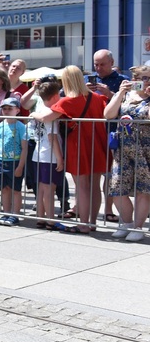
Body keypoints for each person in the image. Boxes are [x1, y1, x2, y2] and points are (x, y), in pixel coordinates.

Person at [31, 65, 109, 234]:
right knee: (95, 186)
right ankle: (92, 222)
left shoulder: (66, 101)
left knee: (82, 186)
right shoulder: (97, 97)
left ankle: (83, 224)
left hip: (78, 145)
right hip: (98, 143)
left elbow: (45, 117)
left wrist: (32, 114)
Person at [103, 66, 150, 241]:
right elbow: (108, 114)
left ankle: (138, 227)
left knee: (143, 189)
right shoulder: (126, 95)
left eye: (148, 78)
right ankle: (127, 223)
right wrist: (120, 92)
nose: (146, 82)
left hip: (145, 149)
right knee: (117, 188)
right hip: (122, 148)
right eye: (142, 78)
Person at [90, 49, 127, 224]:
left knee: (110, 174)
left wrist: (110, 95)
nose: (98, 68)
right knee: (91, 174)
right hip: (91, 132)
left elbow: (128, 106)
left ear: (112, 63)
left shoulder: (122, 81)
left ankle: (108, 210)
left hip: (113, 133)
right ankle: (85, 209)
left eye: (102, 64)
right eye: (96, 64)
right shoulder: (88, 79)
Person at [29, 78, 66, 229]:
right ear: (56, 96)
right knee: (49, 189)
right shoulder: (51, 113)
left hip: (38, 154)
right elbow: (52, 137)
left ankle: (41, 217)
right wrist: (59, 158)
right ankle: (50, 220)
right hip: (49, 155)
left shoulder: (39, 111)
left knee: (42, 189)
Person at [0, 97, 28, 225]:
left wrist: (20, 166)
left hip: (15, 162)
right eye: (4, 109)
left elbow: (24, 148)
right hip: (1, 161)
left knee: (16, 190)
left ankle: (15, 215)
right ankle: (6, 213)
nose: (6, 111)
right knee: (5, 189)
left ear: (17, 110)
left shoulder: (21, 127)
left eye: (9, 108)